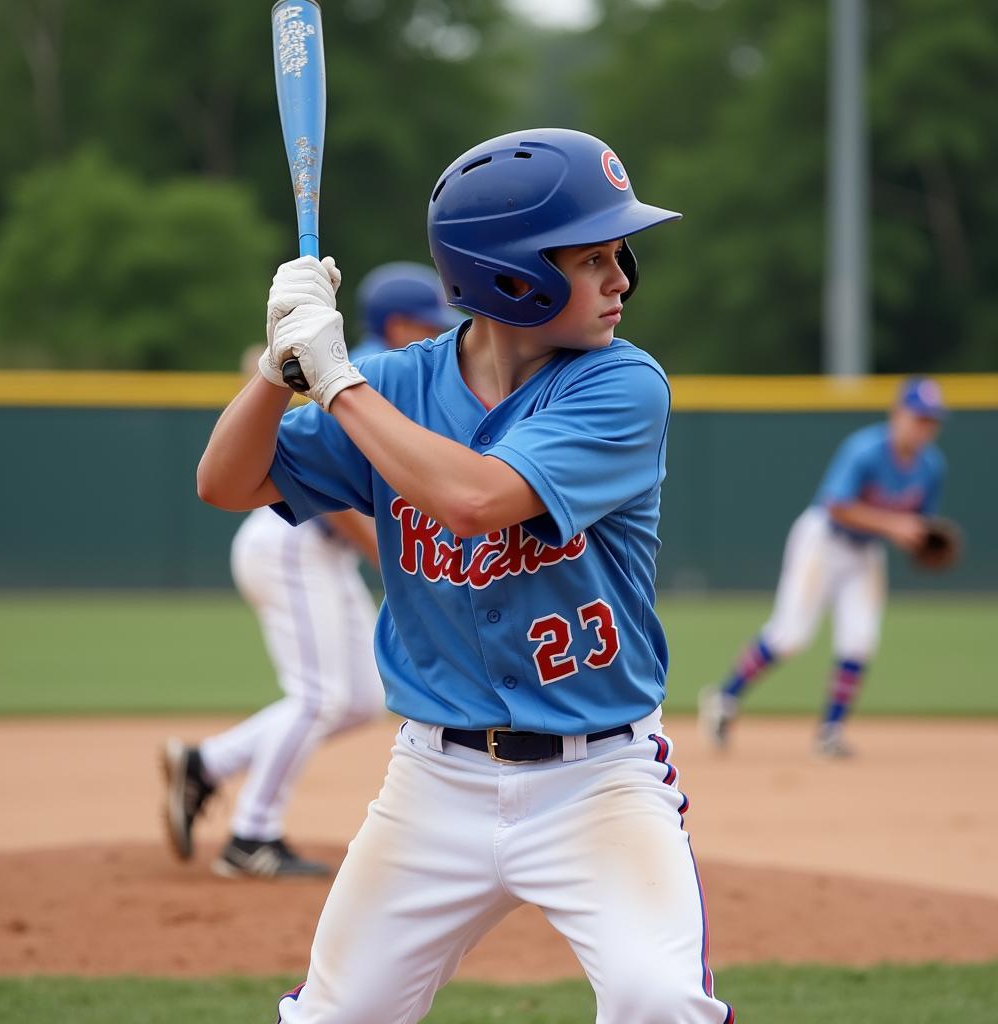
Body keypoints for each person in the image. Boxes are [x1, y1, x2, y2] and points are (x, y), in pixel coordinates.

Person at [197, 128, 734, 1023]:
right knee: (336, 1017)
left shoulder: (622, 386)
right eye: (592, 258)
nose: (621, 279)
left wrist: (334, 383)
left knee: (660, 1000)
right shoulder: (393, 385)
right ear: (510, 275)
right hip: (431, 783)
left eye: (619, 254)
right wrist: (275, 368)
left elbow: (477, 500)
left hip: (597, 780)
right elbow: (227, 482)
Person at [161, 264, 456, 879]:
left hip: (312, 547)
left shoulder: (386, 366)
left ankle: (207, 764)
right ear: (400, 322)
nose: (441, 334)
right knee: (320, 698)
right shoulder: (374, 369)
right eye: (429, 323)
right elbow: (344, 498)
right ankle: (252, 837)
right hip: (292, 541)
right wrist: (390, 551)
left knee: (359, 700)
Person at [699, 377, 948, 759]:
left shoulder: (931, 467)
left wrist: (920, 541)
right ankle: (724, 699)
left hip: (865, 553)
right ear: (898, 414)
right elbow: (838, 505)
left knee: (860, 640)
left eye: (931, 421)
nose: (924, 428)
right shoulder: (864, 450)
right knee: (790, 635)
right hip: (823, 541)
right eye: (918, 418)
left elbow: (918, 526)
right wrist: (895, 526)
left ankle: (830, 732)